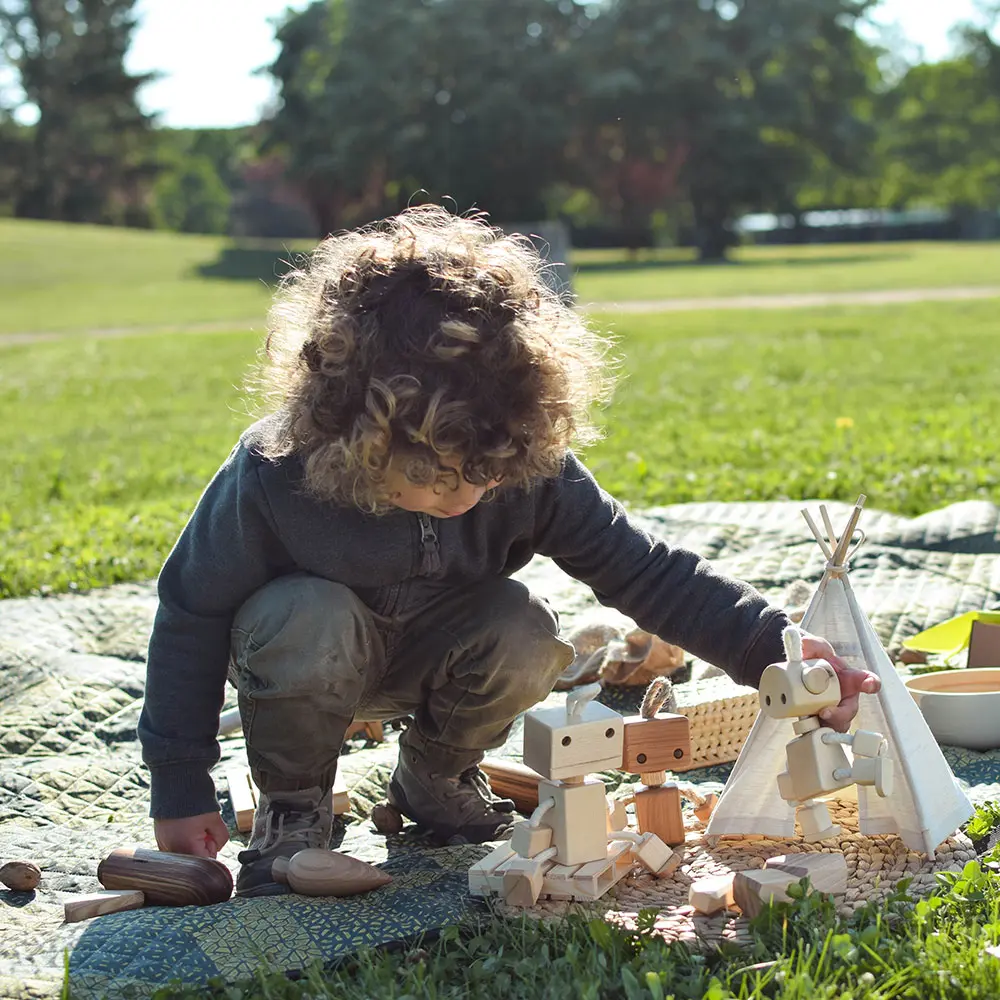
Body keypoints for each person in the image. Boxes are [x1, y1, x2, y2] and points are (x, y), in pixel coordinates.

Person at [138, 206, 879, 897]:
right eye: (434, 478)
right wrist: (179, 786)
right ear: (354, 441)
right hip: (306, 657)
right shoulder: (276, 473)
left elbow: (645, 569)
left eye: (487, 473)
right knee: (308, 610)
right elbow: (189, 615)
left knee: (527, 624)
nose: (467, 496)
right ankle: (293, 815)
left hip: (440, 653)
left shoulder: (521, 460)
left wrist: (770, 645)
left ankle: (436, 779)